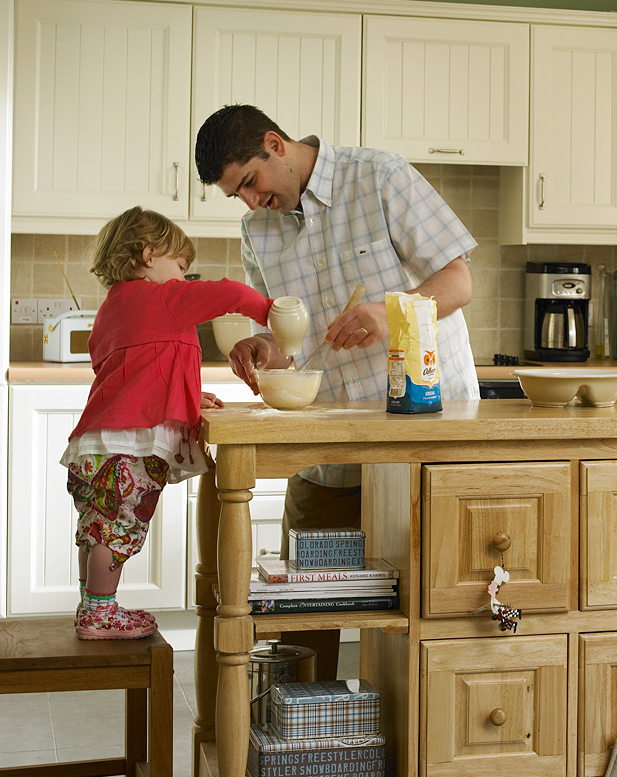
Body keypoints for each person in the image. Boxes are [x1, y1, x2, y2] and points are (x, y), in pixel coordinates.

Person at [193, 104, 477, 677]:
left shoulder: (379, 176)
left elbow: (459, 282)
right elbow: (284, 334)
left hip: (416, 437)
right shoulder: (258, 230)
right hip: (326, 450)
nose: (250, 203)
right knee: (301, 613)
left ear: (276, 144)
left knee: (425, 614)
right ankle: (299, 748)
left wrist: (388, 311)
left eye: (250, 182)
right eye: (237, 196)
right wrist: (263, 349)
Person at [62, 205, 274, 639]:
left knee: (98, 526)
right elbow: (231, 293)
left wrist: (188, 397)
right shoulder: (163, 299)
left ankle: (93, 606)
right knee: (117, 527)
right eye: (180, 265)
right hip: (129, 445)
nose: (182, 277)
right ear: (148, 254)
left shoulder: (111, 310)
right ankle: (100, 616)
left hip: (97, 441)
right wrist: (273, 311)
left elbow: (136, 371)